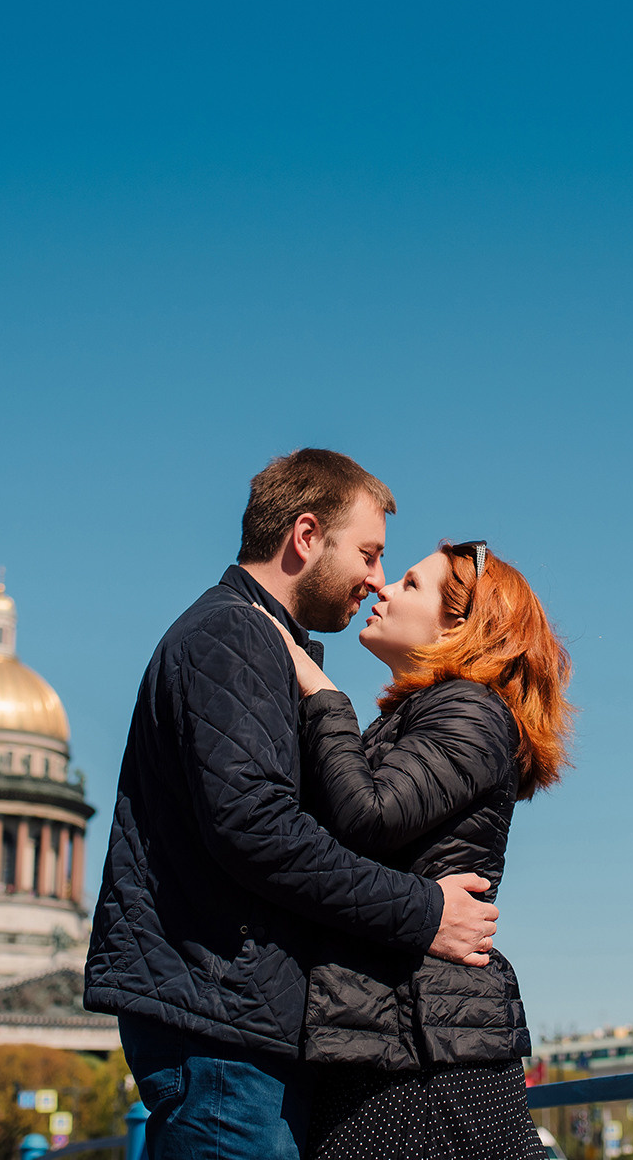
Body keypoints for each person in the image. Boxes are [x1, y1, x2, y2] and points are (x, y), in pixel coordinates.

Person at [84, 449, 502, 1160]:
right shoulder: (236, 633)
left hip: (231, 1017)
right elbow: (259, 830)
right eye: (370, 554)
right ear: (306, 537)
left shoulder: (256, 639)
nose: (374, 579)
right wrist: (425, 911)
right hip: (222, 1021)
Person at [256, 539, 573, 1160]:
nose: (382, 590)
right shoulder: (417, 718)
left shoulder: (471, 710)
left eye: (409, 584)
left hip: (425, 1050)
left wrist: (321, 692)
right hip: (389, 1032)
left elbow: (367, 816)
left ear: (460, 623)